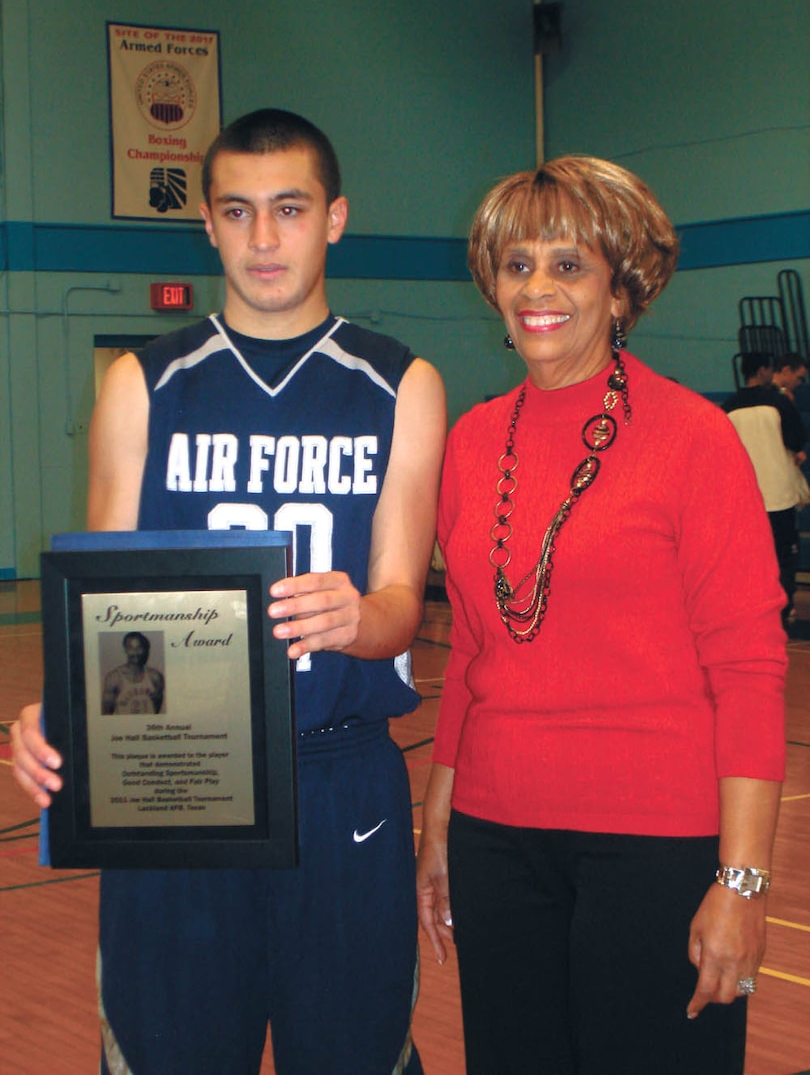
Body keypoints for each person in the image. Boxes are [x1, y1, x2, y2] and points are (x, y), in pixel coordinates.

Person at [12, 108, 445, 1075]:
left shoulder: (399, 382)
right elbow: (104, 606)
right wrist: (61, 717)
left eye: (288, 209)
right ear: (206, 223)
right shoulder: (144, 384)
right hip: (175, 792)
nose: (262, 238)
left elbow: (402, 599)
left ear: (335, 218)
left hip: (341, 786)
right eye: (238, 211)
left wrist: (356, 617)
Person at [416, 157, 786, 1074]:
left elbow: (748, 670)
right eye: (516, 266)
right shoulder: (469, 442)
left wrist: (741, 884)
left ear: (623, 289)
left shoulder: (694, 438)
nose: (537, 288)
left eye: (567, 265)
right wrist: (440, 818)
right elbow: (472, 645)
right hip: (497, 842)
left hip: (656, 851)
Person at [723, 351, 806, 625]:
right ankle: (784, 610)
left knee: (749, 558)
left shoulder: (728, 407)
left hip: (744, 497)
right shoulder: (779, 402)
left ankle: (751, 611)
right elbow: (796, 440)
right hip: (778, 494)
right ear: (761, 371)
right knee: (783, 555)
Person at [101, 631, 165, 715]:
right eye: (131, 648)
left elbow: (156, 710)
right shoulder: (114, 678)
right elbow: (106, 713)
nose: (135, 652)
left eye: (139, 648)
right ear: (126, 650)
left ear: (144, 649)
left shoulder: (155, 677)